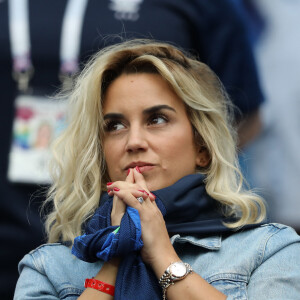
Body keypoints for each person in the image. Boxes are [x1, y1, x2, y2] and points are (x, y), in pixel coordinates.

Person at [1, 1, 264, 298]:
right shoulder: (46, 266)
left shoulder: (266, 250)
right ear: (98, 154)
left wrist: (162, 253)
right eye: (114, 126)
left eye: (157, 119)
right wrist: (117, 252)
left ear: (204, 148)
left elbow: (246, 115)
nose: (134, 141)